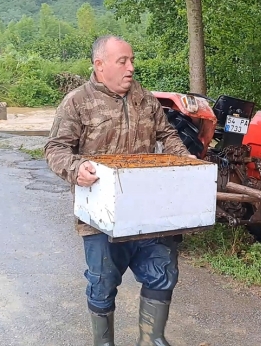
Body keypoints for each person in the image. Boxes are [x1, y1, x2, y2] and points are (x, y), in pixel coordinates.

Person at [44, 35, 195, 346]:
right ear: (100, 66)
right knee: (102, 283)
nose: (131, 68)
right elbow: (56, 149)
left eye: (132, 60)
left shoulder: (145, 99)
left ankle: (152, 339)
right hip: (100, 216)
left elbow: (168, 135)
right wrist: (76, 169)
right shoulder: (77, 102)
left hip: (148, 210)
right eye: (122, 61)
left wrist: (184, 159)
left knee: (163, 270)